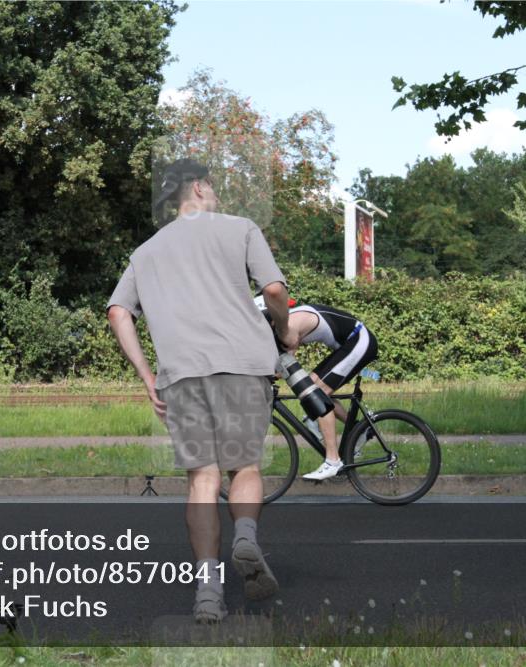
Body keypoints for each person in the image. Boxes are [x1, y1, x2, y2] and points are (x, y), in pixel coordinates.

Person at [107, 158, 294, 623]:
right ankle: (246, 536)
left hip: (181, 374)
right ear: (200, 186)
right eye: (211, 185)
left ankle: (208, 593)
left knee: (202, 480)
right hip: (241, 366)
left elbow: (117, 312)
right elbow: (273, 289)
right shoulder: (240, 228)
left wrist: (149, 378)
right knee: (244, 466)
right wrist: (284, 328)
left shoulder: (146, 251)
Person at [254, 296, 379, 480]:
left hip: (359, 340)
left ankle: (332, 461)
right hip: (348, 344)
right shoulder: (278, 326)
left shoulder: (289, 325)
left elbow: (284, 362)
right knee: (314, 390)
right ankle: (361, 428)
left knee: (316, 395)